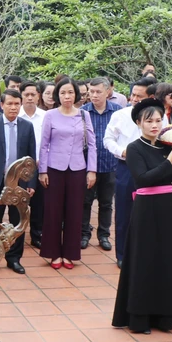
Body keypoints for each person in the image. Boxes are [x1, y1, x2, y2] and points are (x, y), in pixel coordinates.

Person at [111, 98, 172, 334]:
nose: (155, 125)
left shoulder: (168, 146)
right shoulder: (134, 148)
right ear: (139, 123)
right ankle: (140, 317)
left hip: (167, 205)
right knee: (143, 259)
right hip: (145, 206)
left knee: (166, 258)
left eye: (158, 120)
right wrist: (170, 161)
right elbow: (143, 178)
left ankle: (165, 317)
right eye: (149, 121)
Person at [38, 77, 96, 270]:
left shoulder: (83, 115)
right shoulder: (51, 115)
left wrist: (91, 170)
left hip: (78, 169)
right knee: (53, 211)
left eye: (70, 92)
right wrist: (43, 170)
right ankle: (53, 253)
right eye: (63, 93)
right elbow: (44, 145)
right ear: (57, 95)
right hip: (54, 168)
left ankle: (70, 254)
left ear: (76, 94)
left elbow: (92, 145)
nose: (67, 96)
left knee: (74, 211)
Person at [0, 89, 37, 274]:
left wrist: (31, 184)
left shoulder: (27, 127)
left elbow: (31, 159)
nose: (13, 107)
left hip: (18, 183)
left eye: (16, 104)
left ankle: (14, 258)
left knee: (17, 220)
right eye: (9, 104)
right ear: (1, 105)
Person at [104, 77, 157, 267]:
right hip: (126, 168)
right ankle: (122, 255)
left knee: (149, 212)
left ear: (151, 97)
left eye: (139, 96)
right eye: (132, 94)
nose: (134, 99)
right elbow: (108, 139)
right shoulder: (120, 115)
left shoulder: (161, 116)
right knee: (124, 212)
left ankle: (145, 254)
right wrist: (121, 151)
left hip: (153, 169)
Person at [80, 78, 122, 251]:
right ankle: (83, 234)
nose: (94, 95)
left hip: (110, 164)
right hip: (87, 165)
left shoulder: (118, 112)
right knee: (85, 201)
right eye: (92, 91)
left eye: (98, 91)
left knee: (106, 203)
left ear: (107, 92)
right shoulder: (82, 112)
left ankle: (104, 235)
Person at [19, 81, 46, 249]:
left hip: (40, 164)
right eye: (26, 95)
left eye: (33, 95)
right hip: (20, 166)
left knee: (39, 203)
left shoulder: (46, 116)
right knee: (19, 201)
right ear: (21, 96)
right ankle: (16, 235)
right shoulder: (15, 114)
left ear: (38, 96)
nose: (29, 98)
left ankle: (36, 234)